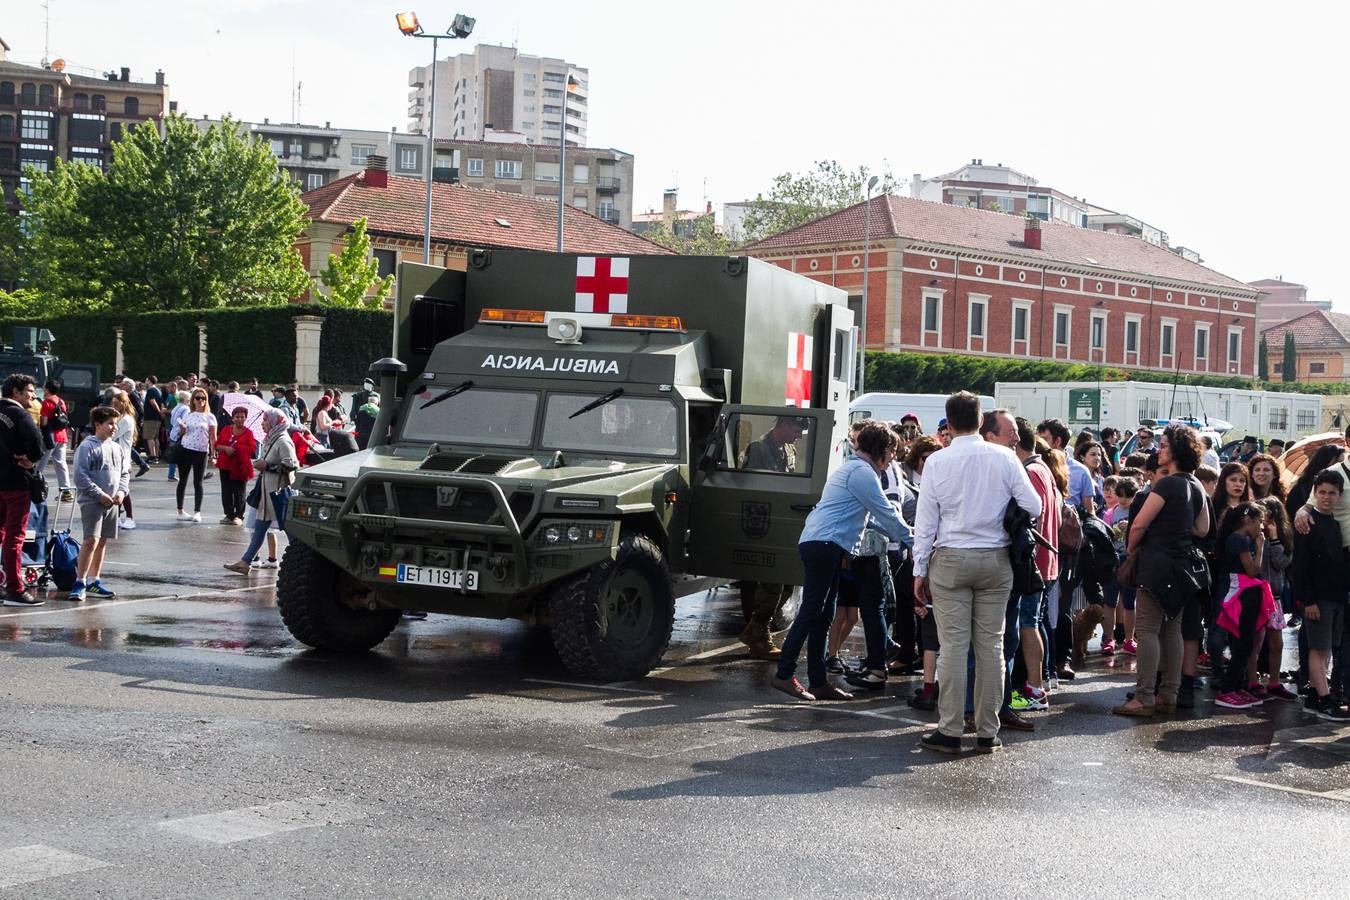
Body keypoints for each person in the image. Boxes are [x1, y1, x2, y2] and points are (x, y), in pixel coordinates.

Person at [913, 393, 1041, 754]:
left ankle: (951, 729)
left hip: (951, 557)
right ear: (980, 420)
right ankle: (988, 731)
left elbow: (926, 522)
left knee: (953, 647)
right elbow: (1033, 505)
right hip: (995, 559)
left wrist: (919, 570)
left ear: (949, 423)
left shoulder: (937, 461)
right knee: (992, 646)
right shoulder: (1004, 457)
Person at [770, 421, 909, 702]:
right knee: (812, 611)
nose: (894, 456)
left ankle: (819, 682)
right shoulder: (862, 473)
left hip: (825, 544)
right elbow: (886, 514)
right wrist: (916, 541)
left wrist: (909, 535)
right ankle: (784, 674)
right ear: (880, 448)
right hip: (825, 545)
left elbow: (871, 518)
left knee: (824, 614)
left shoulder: (855, 469)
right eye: (892, 450)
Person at [1113, 424, 1210, 717]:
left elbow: (1139, 525)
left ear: (1177, 450)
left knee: (1147, 631)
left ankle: (1144, 697)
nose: (1160, 449)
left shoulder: (1167, 485)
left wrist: (1131, 548)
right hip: (1182, 567)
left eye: (1165, 444)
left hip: (1157, 565)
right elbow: (1202, 529)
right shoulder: (1196, 484)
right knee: (1172, 630)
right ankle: (1169, 694)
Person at [738, 416, 808, 659]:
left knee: (787, 581)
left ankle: (755, 630)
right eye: (796, 430)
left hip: (782, 521)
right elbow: (751, 485)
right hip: (763, 520)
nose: (798, 436)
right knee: (772, 582)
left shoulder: (789, 450)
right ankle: (760, 636)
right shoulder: (757, 449)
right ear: (784, 425)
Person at [1292, 469, 1350, 719]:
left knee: (1326, 649)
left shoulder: (1334, 524)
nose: (1327, 497)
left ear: (1339, 496)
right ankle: (1324, 701)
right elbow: (1300, 566)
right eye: (1322, 492)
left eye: (1332, 493)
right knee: (1318, 649)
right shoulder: (1308, 523)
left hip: (1335, 597)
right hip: (1318, 599)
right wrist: (1308, 600)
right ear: (1315, 494)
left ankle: (1317, 695)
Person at [225, 409, 297, 575]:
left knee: (288, 529)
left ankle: (302, 559)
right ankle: (246, 562)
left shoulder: (283, 441)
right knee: (260, 528)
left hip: (277, 493)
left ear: (274, 422)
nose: (263, 423)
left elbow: (292, 465)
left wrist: (268, 466)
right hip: (267, 494)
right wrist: (261, 464)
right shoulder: (271, 439)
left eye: (266, 420)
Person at [69, 406, 130, 602]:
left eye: (115, 424)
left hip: (112, 502)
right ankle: (80, 582)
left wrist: (121, 492)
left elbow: (125, 474)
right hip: (92, 501)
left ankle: (94, 581)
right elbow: (80, 476)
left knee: (102, 541)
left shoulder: (116, 448)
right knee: (90, 541)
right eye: (110, 424)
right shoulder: (87, 446)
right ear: (98, 425)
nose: (114, 427)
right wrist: (99, 494)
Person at [0, 374, 44, 607]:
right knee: (15, 537)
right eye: (29, 391)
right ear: (15, 392)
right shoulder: (19, 414)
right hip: (16, 482)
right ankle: (15, 589)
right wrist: (30, 459)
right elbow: (38, 442)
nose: (33, 396)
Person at [175, 388, 218, 523]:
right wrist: (182, 430)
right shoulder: (188, 415)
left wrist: (213, 454)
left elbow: (213, 437)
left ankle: (197, 512)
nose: (200, 401)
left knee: (198, 482)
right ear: (193, 400)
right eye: (198, 398)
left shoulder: (210, 417)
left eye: (203, 398)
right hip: (185, 449)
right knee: (182, 480)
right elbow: (181, 433)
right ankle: (180, 510)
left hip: (201, 451)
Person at [216, 406, 257, 525]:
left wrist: (238, 448)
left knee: (239, 491)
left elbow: (252, 449)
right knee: (226, 491)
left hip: (240, 467)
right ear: (233, 418)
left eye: (242, 417)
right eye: (237, 417)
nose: (239, 419)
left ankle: (239, 515)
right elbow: (217, 445)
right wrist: (226, 448)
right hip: (225, 465)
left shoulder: (249, 433)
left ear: (245, 418)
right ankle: (229, 514)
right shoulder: (225, 429)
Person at [37, 377, 74, 502]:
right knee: (61, 464)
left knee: (40, 463)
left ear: (47, 389)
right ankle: (66, 491)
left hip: (50, 437)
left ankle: (33, 486)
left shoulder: (46, 403)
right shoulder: (61, 401)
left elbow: (44, 421)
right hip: (62, 436)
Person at [108, 390, 139, 530]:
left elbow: (112, 435)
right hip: (115, 458)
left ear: (123, 403)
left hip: (123, 460)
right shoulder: (120, 418)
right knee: (116, 489)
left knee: (123, 489)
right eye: (112, 404)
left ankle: (130, 518)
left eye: (116, 404)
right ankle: (117, 517)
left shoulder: (126, 420)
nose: (113, 406)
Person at [142, 375, 164, 462]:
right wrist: (160, 413)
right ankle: (156, 455)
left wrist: (158, 411)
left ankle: (152, 455)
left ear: (149, 381)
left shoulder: (150, 390)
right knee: (155, 437)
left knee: (149, 437)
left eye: (146, 380)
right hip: (157, 418)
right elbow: (161, 403)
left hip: (150, 417)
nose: (145, 382)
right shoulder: (158, 390)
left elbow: (152, 402)